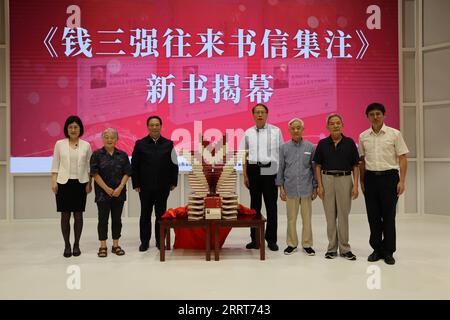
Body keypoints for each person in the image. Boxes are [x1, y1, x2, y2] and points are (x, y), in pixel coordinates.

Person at [359, 103, 408, 265]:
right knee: (373, 217)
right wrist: (362, 181)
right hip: (371, 179)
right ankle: (376, 249)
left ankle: (388, 251)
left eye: (378, 113)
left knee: (388, 217)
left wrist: (402, 181)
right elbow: (362, 162)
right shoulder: (363, 136)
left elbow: (402, 158)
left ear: (384, 115)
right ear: (367, 117)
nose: (375, 116)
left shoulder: (394, 134)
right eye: (371, 114)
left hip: (390, 179)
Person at [314, 114, 360, 261]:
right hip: (327, 180)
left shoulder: (350, 143)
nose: (335, 126)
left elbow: (355, 165)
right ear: (327, 127)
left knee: (343, 216)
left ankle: (345, 248)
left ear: (342, 125)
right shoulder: (322, 144)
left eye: (338, 123)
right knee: (330, 216)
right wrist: (320, 185)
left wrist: (355, 185)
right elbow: (318, 165)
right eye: (332, 123)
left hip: (345, 179)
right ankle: (332, 248)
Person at [131, 116, 179, 251]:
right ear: (147, 127)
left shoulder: (168, 144)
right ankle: (144, 242)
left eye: (157, 125)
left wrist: (173, 181)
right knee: (145, 215)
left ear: (161, 126)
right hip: (145, 187)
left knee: (161, 215)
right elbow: (134, 165)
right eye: (151, 125)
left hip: (163, 187)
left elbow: (174, 164)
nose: (154, 127)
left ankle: (160, 241)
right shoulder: (140, 144)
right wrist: (136, 183)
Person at [241, 104, 284, 251]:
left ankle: (271, 239)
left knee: (271, 205)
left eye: (262, 112)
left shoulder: (276, 131)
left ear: (267, 114)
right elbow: (244, 155)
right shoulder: (248, 133)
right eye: (257, 112)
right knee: (255, 206)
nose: (260, 115)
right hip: (253, 168)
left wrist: (280, 174)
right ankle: (255, 239)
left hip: (270, 168)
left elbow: (281, 154)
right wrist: (245, 174)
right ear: (253, 115)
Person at [51, 115, 92, 258]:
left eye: (76, 127)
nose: (73, 129)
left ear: (80, 129)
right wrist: (54, 181)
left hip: (80, 183)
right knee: (65, 215)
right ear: (66, 129)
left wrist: (89, 183)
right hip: (63, 183)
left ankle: (76, 244)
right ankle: (67, 245)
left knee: (79, 215)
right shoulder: (59, 144)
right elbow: (55, 164)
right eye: (70, 127)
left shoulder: (86, 145)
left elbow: (89, 166)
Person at [276, 118, 317, 256]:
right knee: (291, 219)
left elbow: (314, 168)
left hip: (306, 189)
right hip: (290, 188)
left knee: (307, 219)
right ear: (289, 130)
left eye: (298, 128)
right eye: (293, 128)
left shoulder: (311, 147)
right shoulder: (283, 148)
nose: (296, 130)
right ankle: (291, 244)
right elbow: (280, 168)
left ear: (302, 129)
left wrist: (315, 187)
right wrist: (281, 188)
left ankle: (307, 244)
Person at [90, 128, 132, 258]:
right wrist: (106, 189)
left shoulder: (123, 155)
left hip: (119, 193)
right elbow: (94, 174)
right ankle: (103, 245)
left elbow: (128, 173)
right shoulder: (96, 154)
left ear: (117, 139)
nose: (109, 140)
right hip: (102, 194)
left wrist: (120, 187)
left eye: (112, 137)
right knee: (103, 220)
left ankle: (115, 245)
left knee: (117, 220)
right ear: (102, 139)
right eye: (107, 137)